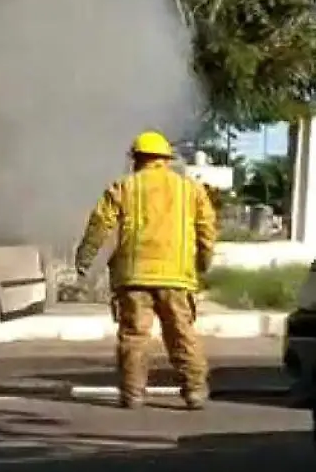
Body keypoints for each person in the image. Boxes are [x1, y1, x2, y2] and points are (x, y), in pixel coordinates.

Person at [73, 131, 217, 410]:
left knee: (134, 337)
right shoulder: (190, 189)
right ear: (166, 159)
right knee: (182, 334)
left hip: (133, 277)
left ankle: (133, 394)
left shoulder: (123, 187)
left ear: (137, 158)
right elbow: (206, 229)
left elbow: (100, 223)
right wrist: (204, 261)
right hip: (177, 277)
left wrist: (85, 258)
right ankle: (194, 391)